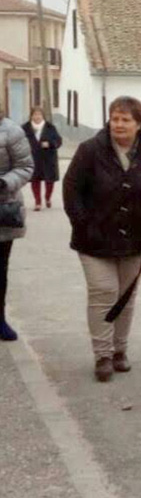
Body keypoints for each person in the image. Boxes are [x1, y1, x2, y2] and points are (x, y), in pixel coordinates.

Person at [63, 97, 141, 381]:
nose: (118, 124)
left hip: (136, 240)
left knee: (126, 298)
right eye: (114, 118)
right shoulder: (90, 150)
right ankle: (102, 355)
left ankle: (120, 350)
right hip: (94, 240)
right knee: (103, 293)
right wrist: (83, 223)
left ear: (139, 124)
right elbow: (71, 188)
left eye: (125, 119)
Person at [0, 115, 32, 342]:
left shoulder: (10, 130)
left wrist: (3, 182)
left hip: (2, 210)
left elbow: (25, 166)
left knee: (0, 270)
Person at [23, 107, 62, 211]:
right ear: (31, 116)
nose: (37, 117)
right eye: (35, 115)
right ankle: (38, 202)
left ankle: (48, 198)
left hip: (48, 158)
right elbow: (19, 141)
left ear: (43, 116)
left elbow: (58, 141)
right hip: (33, 158)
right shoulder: (25, 128)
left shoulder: (50, 127)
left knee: (49, 180)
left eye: (39, 115)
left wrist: (50, 144)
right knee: (35, 180)